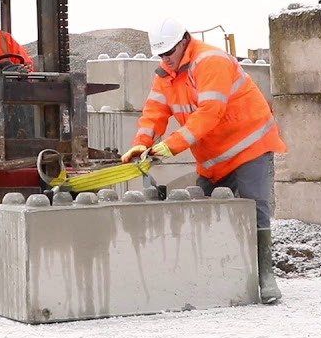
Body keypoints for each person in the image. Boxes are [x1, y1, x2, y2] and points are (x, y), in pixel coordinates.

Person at [120, 17, 287, 304]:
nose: (166, 60)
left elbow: (210, 112)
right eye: (160, 55)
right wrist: (140, 145)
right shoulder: (165, 76)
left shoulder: (210, 61)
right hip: (213, 158)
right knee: (201, 209)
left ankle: (265, 277)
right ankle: (211, 275)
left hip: (249, 145)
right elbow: (153, 114)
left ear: (184, 40)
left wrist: (171, 146)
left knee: (254, 206)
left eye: (169, 53)